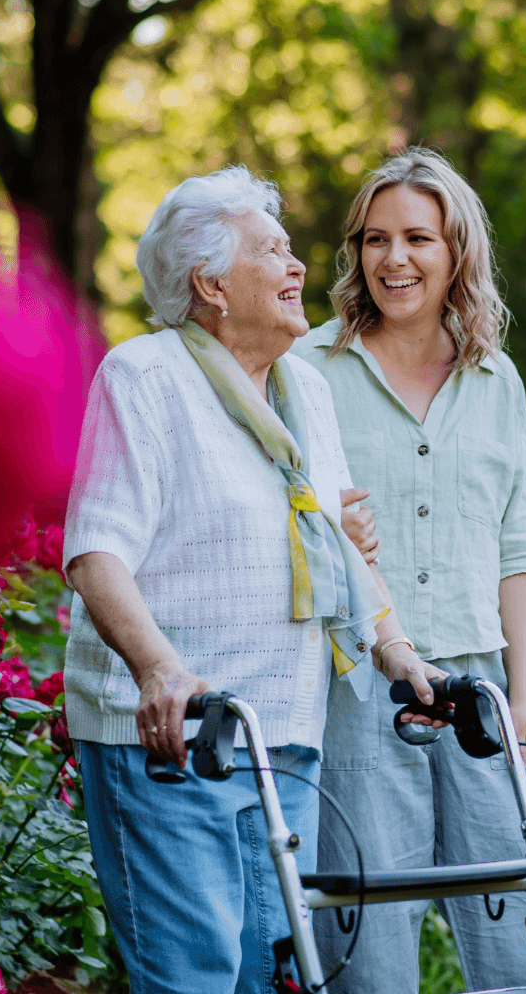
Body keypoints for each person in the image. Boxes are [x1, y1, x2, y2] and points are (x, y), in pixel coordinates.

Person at [61, 165, 442, 994]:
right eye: (272, 251)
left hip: (283, 737)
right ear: (210, 284)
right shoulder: (147, 377)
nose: (298, 266)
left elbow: (338, 546)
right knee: (194, 976)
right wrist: (159, 667)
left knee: (275, 977)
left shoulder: (302, 386)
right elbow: (97, 550)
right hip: (174, 739)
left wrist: (396, 649)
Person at [292, 147, 526, 993]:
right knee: (365, 924)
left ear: (457, 250)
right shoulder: (308, 373)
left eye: (419, 238)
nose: (395, 259)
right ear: (355, 251)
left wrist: (523, 700)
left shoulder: (496, 381)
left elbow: (522, 553)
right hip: (356, 687)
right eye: (376, 239)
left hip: (478, 688)